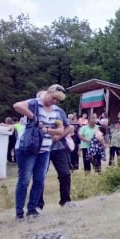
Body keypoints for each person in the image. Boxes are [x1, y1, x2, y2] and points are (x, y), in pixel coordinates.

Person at [13, 84, 67, 219]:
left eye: (57, 100)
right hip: (28, 148)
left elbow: (61, 130)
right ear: (48, 93)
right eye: (53, 98)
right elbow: (17, 106)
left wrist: (48, 130)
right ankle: (19, 211)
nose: (54, 101)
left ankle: (32, 209)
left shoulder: (57, 111)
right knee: (24, 180)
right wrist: (34, 117)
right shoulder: (34, 103)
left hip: (45, 149)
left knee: (39, 180)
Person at [47, 102, 76, 207]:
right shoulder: (35, 111)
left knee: (65, 174)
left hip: (59, 147)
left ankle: (65, 201)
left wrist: (58, 137)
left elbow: (68, 127)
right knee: (39, 177)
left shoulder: (58, 110)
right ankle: (37, 204)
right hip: (42, 149)